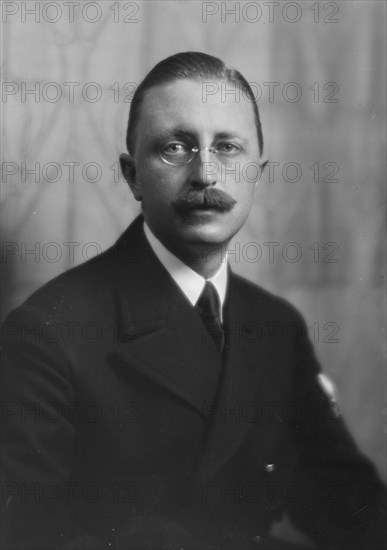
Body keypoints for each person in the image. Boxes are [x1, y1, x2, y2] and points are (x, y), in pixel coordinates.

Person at [1, 52, 385, 550]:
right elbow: (28, 535)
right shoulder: (48, 334)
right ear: (133, 175)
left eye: (228, 147)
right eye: (176, 147)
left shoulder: (275, 325)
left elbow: (345, 499)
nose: (206, 173)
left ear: (257, 173)